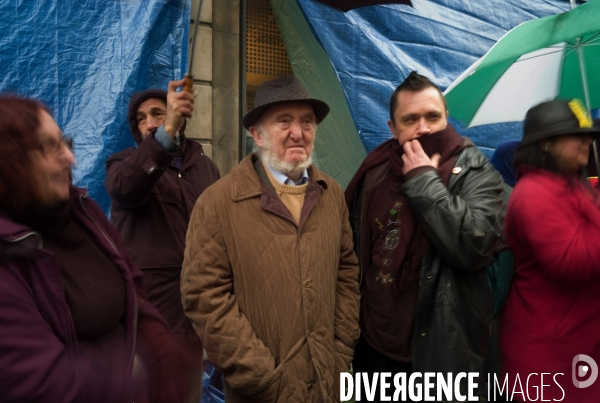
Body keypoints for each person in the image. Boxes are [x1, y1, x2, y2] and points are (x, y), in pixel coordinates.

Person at [0, 95, 193, 402]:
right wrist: (143, 366)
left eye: (64, 142)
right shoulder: (122, 164)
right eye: (49, 147)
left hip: (182, 318)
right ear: (9, 160)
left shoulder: (81, 209)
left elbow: (131, 280)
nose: (70, 158)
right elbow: (45, 384)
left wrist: (156, 334)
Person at [181, 75, 361, 403]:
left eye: (307, 121)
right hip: (261, 392)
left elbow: (346, 272)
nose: (298, 132)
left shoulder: (331, 193)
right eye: (284, 121)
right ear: (257, 135)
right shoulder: (218, 203)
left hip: (328, 385)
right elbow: (204, 296)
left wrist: (340, 352)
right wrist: (262, 376)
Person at [345, 71, 503, 401]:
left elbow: (472, 246)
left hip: (442, 354)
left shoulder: (474, 169)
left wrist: (423, 181)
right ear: (392, 128)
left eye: (432, 116)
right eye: (410, 119)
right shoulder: (373, 171)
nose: (423, 128)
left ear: (446, 116)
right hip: (373, 349)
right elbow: (353, 255)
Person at [105, 78, 220, 402]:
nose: (149, 123)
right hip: (150, 326)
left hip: (197, 323)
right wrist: (166, 131)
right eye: (141, 118)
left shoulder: (206, 168)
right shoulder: (123, 165)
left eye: (158, 113)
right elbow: (127, 187)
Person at [499, 99, 600, 401]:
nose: (588, 140)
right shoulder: (532, 195)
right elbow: (575, 264)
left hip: (579, 352)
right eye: (576, 134)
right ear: (546, 143)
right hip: (546, 363)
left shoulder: (571, 184)